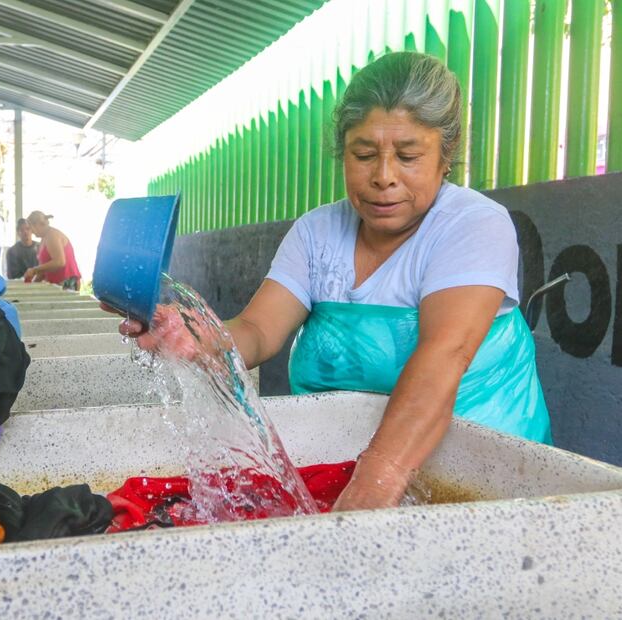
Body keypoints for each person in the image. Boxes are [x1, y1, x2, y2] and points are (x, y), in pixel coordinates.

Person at [112, 52, 551, 512]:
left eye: (408, 156)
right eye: (364, 155)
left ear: (446, 156)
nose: (383, 177)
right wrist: (198, 338)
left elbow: (445, 355)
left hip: (476, 474)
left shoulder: (474, 225)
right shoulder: (316, 232)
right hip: (345, 464)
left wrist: (374, 484)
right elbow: (259, 331)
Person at [24, 210, 82, 291]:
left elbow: (60, 262)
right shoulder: (44, 239)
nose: (31, 232)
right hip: (55, 283)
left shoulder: (52, 235)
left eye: (31, 228)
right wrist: (31, 286)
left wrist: (34, 270)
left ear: (38, 224)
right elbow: (44, 270)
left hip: (66, 282)